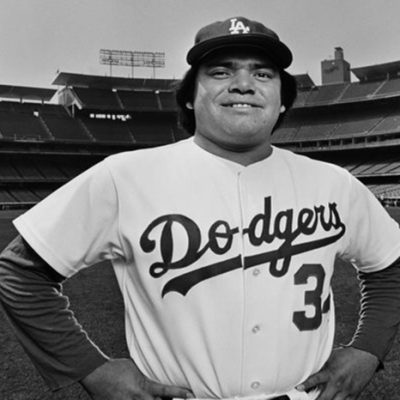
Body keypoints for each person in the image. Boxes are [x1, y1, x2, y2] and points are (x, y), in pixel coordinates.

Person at [1, 16, 400, 400]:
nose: (244, 84)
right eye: (221, 72)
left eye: (263, 74)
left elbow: (390, 263)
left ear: (283, 101)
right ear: (190, 98)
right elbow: (19, 271)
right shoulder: (124, 177)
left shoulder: (334, 183)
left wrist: (369, 348)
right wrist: (91, 369)